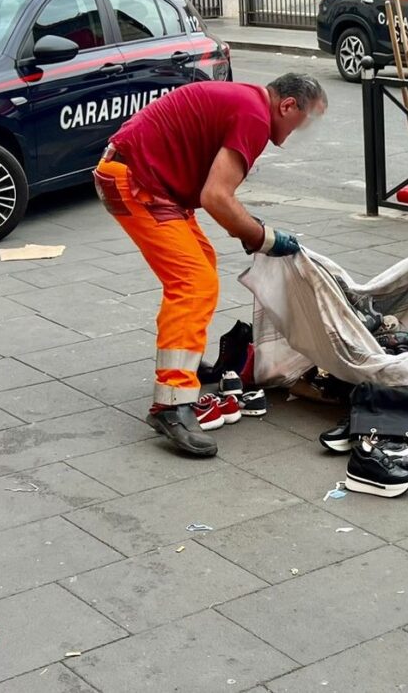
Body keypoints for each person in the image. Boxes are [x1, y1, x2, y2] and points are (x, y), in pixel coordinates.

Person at [98, 74, 326, 456]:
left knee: (201, 263)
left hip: (147, 179)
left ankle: (184, 367)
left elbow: (219, 196)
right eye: (307, 119)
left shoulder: (248, 103)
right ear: (287, 106)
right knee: (193, 281)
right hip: (138, 182)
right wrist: (262, 237)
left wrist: (252, 229)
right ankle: (171, 405)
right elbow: (217, 197)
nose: (305, 130)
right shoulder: (254, 116)